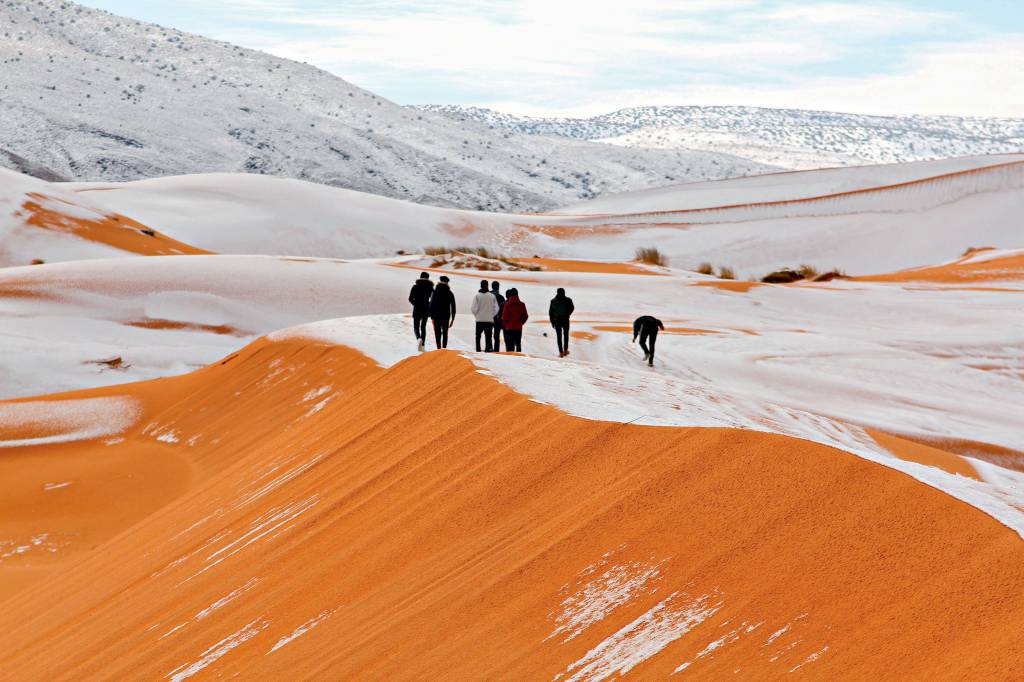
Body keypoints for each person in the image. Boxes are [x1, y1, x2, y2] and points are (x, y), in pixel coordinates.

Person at [408, 272, 434, 351]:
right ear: (428, 278)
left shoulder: (415, 286)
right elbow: (433, 299)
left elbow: (410, 298)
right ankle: (422, 346)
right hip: (426, 309)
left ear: (420, 277)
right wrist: (429, 305)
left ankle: (418, 338)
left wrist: (416, 304)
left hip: (417, 308)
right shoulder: (431, 287)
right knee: (423, 327)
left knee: (416, 326)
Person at [471, 279, 499, 352]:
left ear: (481, 285)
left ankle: (478, 349)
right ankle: (487, 349)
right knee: (488, 336)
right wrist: (491, 315)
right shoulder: (492, 296)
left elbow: (473, 308)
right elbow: (496, 309)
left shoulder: (477, 296)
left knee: (478, 336)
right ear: (487, 286)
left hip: (479, 319)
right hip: (489, 320)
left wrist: (477, 315)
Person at [429, 275, 456, 349]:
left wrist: (431, 315)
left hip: (436, 316)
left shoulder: (435, 292)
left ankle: (438, 349)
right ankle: (444, 349)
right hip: (445, 316)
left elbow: (431, 304)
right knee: (445, 333)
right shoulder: (450, 293)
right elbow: (453, 306)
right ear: (447, 283)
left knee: (437, 334)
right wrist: (452, 319)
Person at [549, 288, 575, 357]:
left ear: (557, 292)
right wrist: (568, 314)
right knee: (566, 335)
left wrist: (552, 322)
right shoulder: (568, 300)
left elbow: (550, 313)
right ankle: (565, 350)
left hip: (557, 320)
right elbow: (572, 308)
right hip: (565, 319)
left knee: (559, 336)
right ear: (564, 292)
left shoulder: (553, 301)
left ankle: (561, 352)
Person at [501, 287, 529, 352]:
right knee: (518, 345)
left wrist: (506, 325)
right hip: (518, 328)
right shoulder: (522, 304)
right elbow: (525, 316)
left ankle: (511, 360)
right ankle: (519, 360)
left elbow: (504, 317)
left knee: (510, 346)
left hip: (509, 328)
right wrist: (521, 323)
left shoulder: (507, 305)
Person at [490, 281, 505, 353]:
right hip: (498, 320)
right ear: (498, 287)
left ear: (492, 286)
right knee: (496, 336)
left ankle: (489, 348)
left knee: (488, 334)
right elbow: (504, 309)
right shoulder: (501, 297)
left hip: (489, 318)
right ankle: (496, 350)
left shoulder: (488, 296)